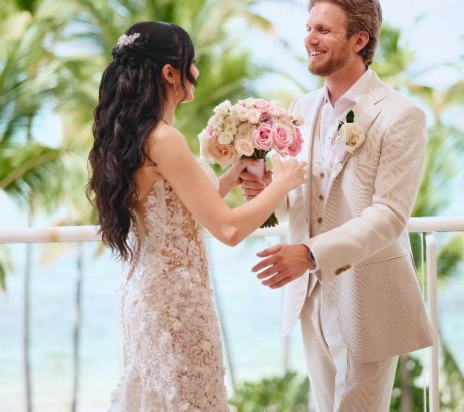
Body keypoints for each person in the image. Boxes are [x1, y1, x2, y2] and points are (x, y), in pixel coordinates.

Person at [87, 21, 307, 411]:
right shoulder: (165, 138)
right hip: (176, 302)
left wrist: (226, 181)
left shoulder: (135, 135)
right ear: (169, 73)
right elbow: (228, 228)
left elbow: (174, 206)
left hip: (145, 293)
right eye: (191, 62)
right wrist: (284, 182)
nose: (197, 72)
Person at [241, 0, 434, 411]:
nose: (309, 38)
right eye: (309, 27)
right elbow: (300, 196)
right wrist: (265, 191)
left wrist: (309, 253)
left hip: (367, 295)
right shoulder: (302, 106)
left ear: (359, 40)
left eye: (324, 29)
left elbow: (389, 215)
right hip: (310, 295)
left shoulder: (401, 115)